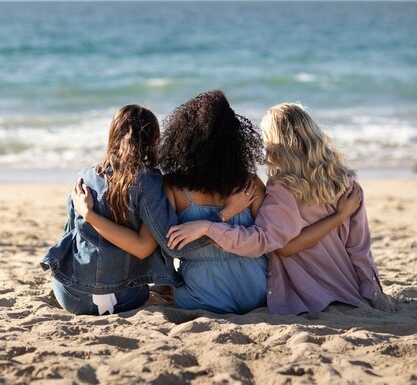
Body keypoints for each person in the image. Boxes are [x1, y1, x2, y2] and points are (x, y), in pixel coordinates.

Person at [72, 92, 362, 314]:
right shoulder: (250, 182)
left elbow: (168, 244)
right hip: (257, 293)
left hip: (202, 296)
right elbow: (268, 241)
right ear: (235, 142)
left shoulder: (171, 186)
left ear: (183, 139)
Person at [167, 103, 396, 315]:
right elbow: (360, 249)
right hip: (348, 288)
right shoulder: (348, 183)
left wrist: (210, 226)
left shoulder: (282, 187)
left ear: (275, 142)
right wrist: (372, 292)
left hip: (308, 293)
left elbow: (279, 246)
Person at [41, 104, 182, 315]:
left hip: (72, 296)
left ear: (113, 135)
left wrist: (89, 214)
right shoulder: (149, 181)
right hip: (126, 299)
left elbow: (69, 235)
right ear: (153, 140)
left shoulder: (85, 176)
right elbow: (151, 246)